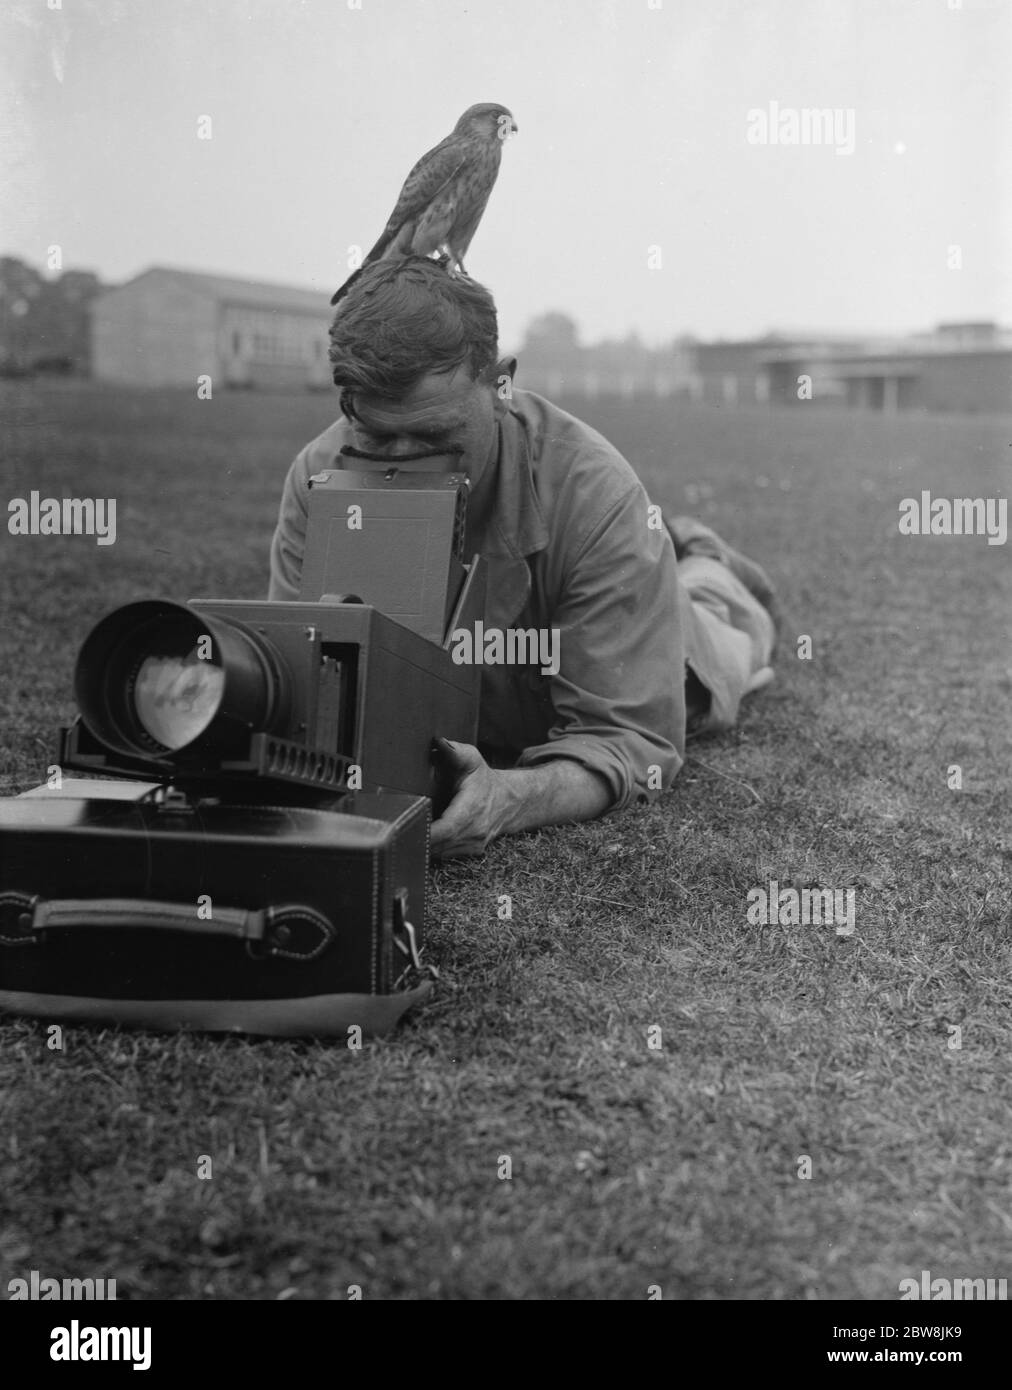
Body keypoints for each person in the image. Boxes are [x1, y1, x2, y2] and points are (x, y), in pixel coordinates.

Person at [269, 257, 778, 858]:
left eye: (436, 439)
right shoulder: (318, 474)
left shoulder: (596, 492)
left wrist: (508, 798)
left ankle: (701, 557)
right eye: (379, 437)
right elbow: (301, 684)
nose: (406, 464)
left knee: (729, 620)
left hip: (682, 637)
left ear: (501, 385)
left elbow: (628, 737)